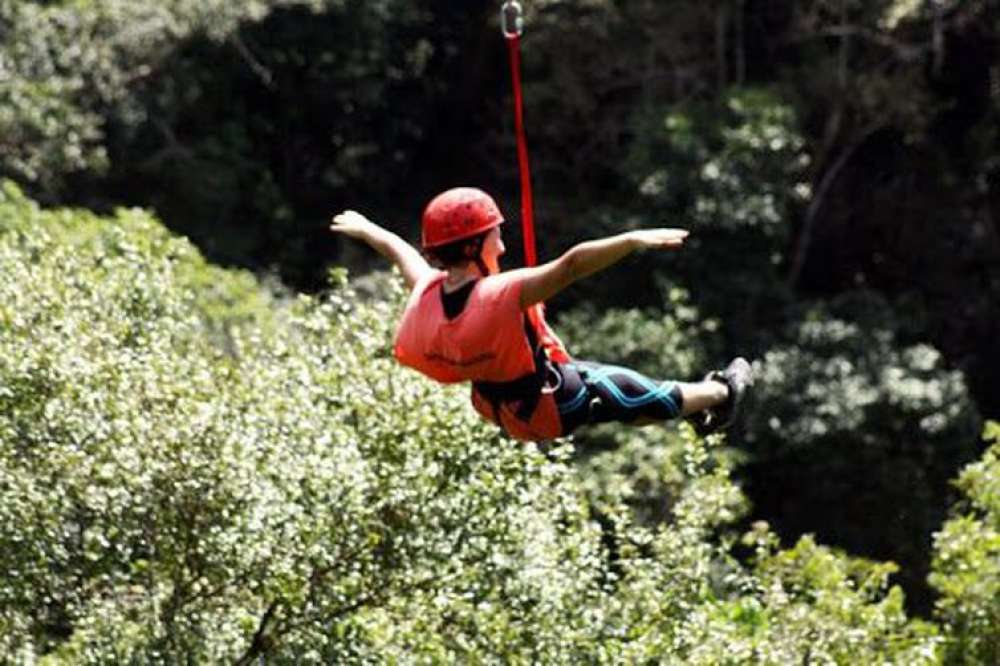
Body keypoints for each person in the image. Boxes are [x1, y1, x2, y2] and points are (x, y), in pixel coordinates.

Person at [331, 187, 752, 442]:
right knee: (619, 388)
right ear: (472, 247)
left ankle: (696, 410)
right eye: (495, 236)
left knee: (616, 404)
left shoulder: (428, 294)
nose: (503, 245)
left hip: (503, 411)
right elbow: (570, 266)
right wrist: (631, 240)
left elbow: (401, 253)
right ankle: (721, 394)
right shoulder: (500, 295)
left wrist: (370, 229)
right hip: (549, 404)